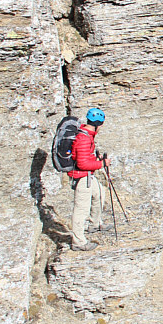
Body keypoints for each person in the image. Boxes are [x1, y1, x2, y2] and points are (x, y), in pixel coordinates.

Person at [69, 107, 112, 251]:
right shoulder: (83, 138)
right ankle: (78, 242)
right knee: (81, 210)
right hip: (82, 177)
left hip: (88, 175)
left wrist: (96, 158)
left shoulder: (87, 135)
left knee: (100, 193)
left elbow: (84, 157)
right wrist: (101, 164)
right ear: (97, 124)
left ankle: (95, 223)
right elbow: (82, 163)